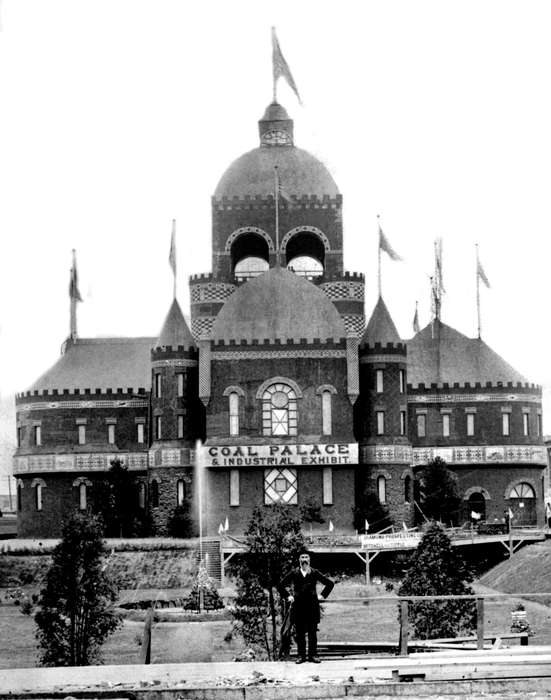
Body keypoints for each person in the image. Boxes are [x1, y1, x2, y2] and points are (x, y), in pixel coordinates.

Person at [278, 551, 334, 664]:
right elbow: (280, 585)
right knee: (300, 633)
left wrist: (322, 595)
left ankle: (313, 655)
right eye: (302, 558)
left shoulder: (314, 572)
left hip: (312, 606)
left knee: (313, 633)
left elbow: (330, 584)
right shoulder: (294, 573)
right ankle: (301, 656)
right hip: (298, 607)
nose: (304, 560)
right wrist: (288, 596)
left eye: (306, 558)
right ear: (299, 561)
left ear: (309, 561)